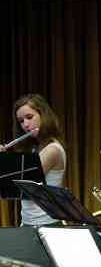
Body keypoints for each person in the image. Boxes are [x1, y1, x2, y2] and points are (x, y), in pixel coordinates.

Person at [0, 94, 66, 226]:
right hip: (28, 222)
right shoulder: (34, 149)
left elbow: (19, 182)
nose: (25, 124)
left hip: (47, 223)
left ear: (43, 116)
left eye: (29, 117)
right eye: (21, 121)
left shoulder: (53, 150)